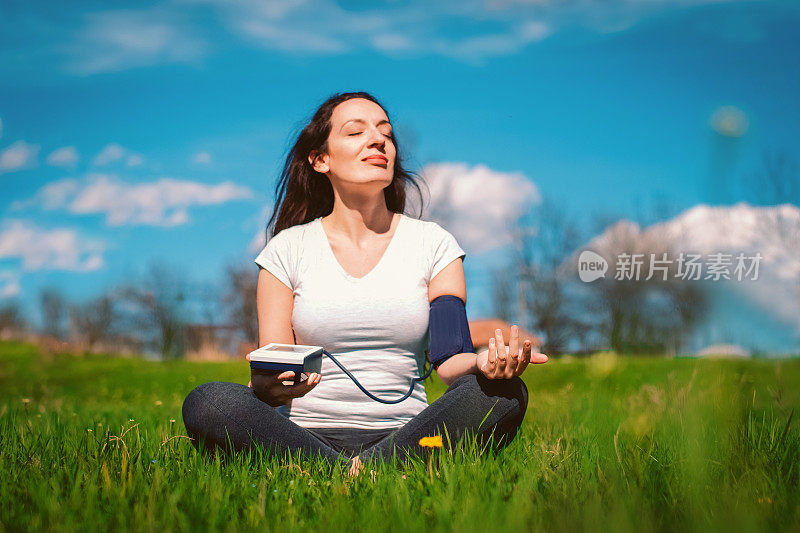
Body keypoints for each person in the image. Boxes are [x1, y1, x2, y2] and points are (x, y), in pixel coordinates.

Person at [182, 92, 549, 476]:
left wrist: (484, 363)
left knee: (504, 394)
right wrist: (268, 388)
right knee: (209, 401)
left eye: (386, 134)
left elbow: (449, 357)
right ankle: (362, 471)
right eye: (356, 132)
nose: (379, 141)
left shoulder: (434, 245)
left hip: (408, 436)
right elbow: (274, 368)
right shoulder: (285, 250)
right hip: (304, 436)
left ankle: (352, 470)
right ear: (320, 159)